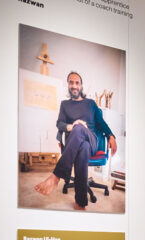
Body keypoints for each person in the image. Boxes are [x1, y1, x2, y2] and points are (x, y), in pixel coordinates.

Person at [34, 71, 117, 210]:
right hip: (77, 143)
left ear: (81, 86)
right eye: (71, 82)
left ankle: (56, 176)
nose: (74, 85)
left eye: (77, 82)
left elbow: (101, 123)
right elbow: (59, 124)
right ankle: (80, 202)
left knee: (80, 131)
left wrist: (111, 136)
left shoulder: (90, 103)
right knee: (82, 146)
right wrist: (71, 126)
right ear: (68, 85)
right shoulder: (64, 104)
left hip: (92, 141)